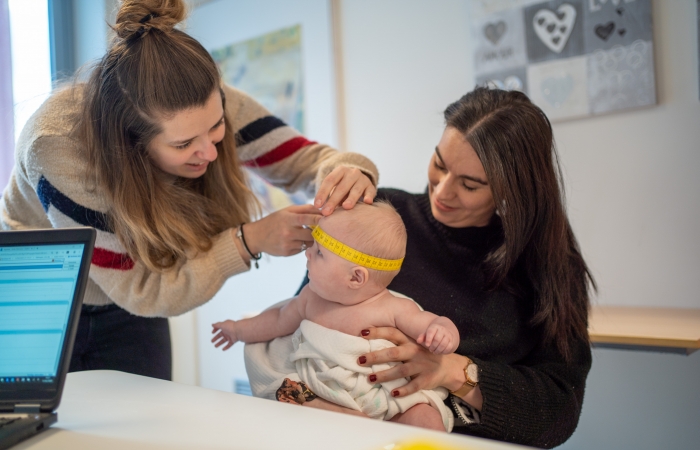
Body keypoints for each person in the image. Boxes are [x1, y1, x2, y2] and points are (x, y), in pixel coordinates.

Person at [0, 0, 378, 381]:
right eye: (183, 146)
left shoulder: (199, 101)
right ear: (129, 140)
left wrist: (349, 171)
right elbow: (145, 292)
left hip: (129, 304)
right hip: (37, 293)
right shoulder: (59, 147)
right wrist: (248, 241)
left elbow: (306, 160)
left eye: (216, 128)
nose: (211, 152)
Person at [244, 87, 595, 448]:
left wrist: (454, 372)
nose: (442, 192)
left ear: (512, 189)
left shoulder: (547, 263)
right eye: (440, 164)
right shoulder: (381, 218)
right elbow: (301, 326)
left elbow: (559, 409)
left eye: (470, 184)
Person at [211, 202, 458, 431]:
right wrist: (237, 329)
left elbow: (434, 323)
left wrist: (443, 333)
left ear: (356, 278)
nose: (307, 252)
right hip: (328, 399)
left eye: (319, 252)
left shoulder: (394, 308)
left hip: (387, 399)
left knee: (425, 418)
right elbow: (276, 321)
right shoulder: (310, 299)